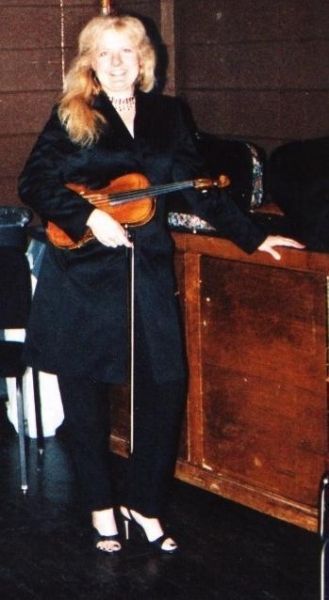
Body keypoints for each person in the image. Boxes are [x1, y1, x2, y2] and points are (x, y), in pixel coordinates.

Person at [18, 14, 303, 555]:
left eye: (128, 52)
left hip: (143, 267)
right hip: (81, 270)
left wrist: (252, 238)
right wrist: (88, 217)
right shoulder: (72, 114)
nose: (119, 63)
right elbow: (34, 181)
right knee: (84, 394)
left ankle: (144, 504)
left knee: (165, 385)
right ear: (91, 64)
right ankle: (101, 506)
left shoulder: (169, 115)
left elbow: (199, 189)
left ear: (145, 60)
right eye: (107, 54)